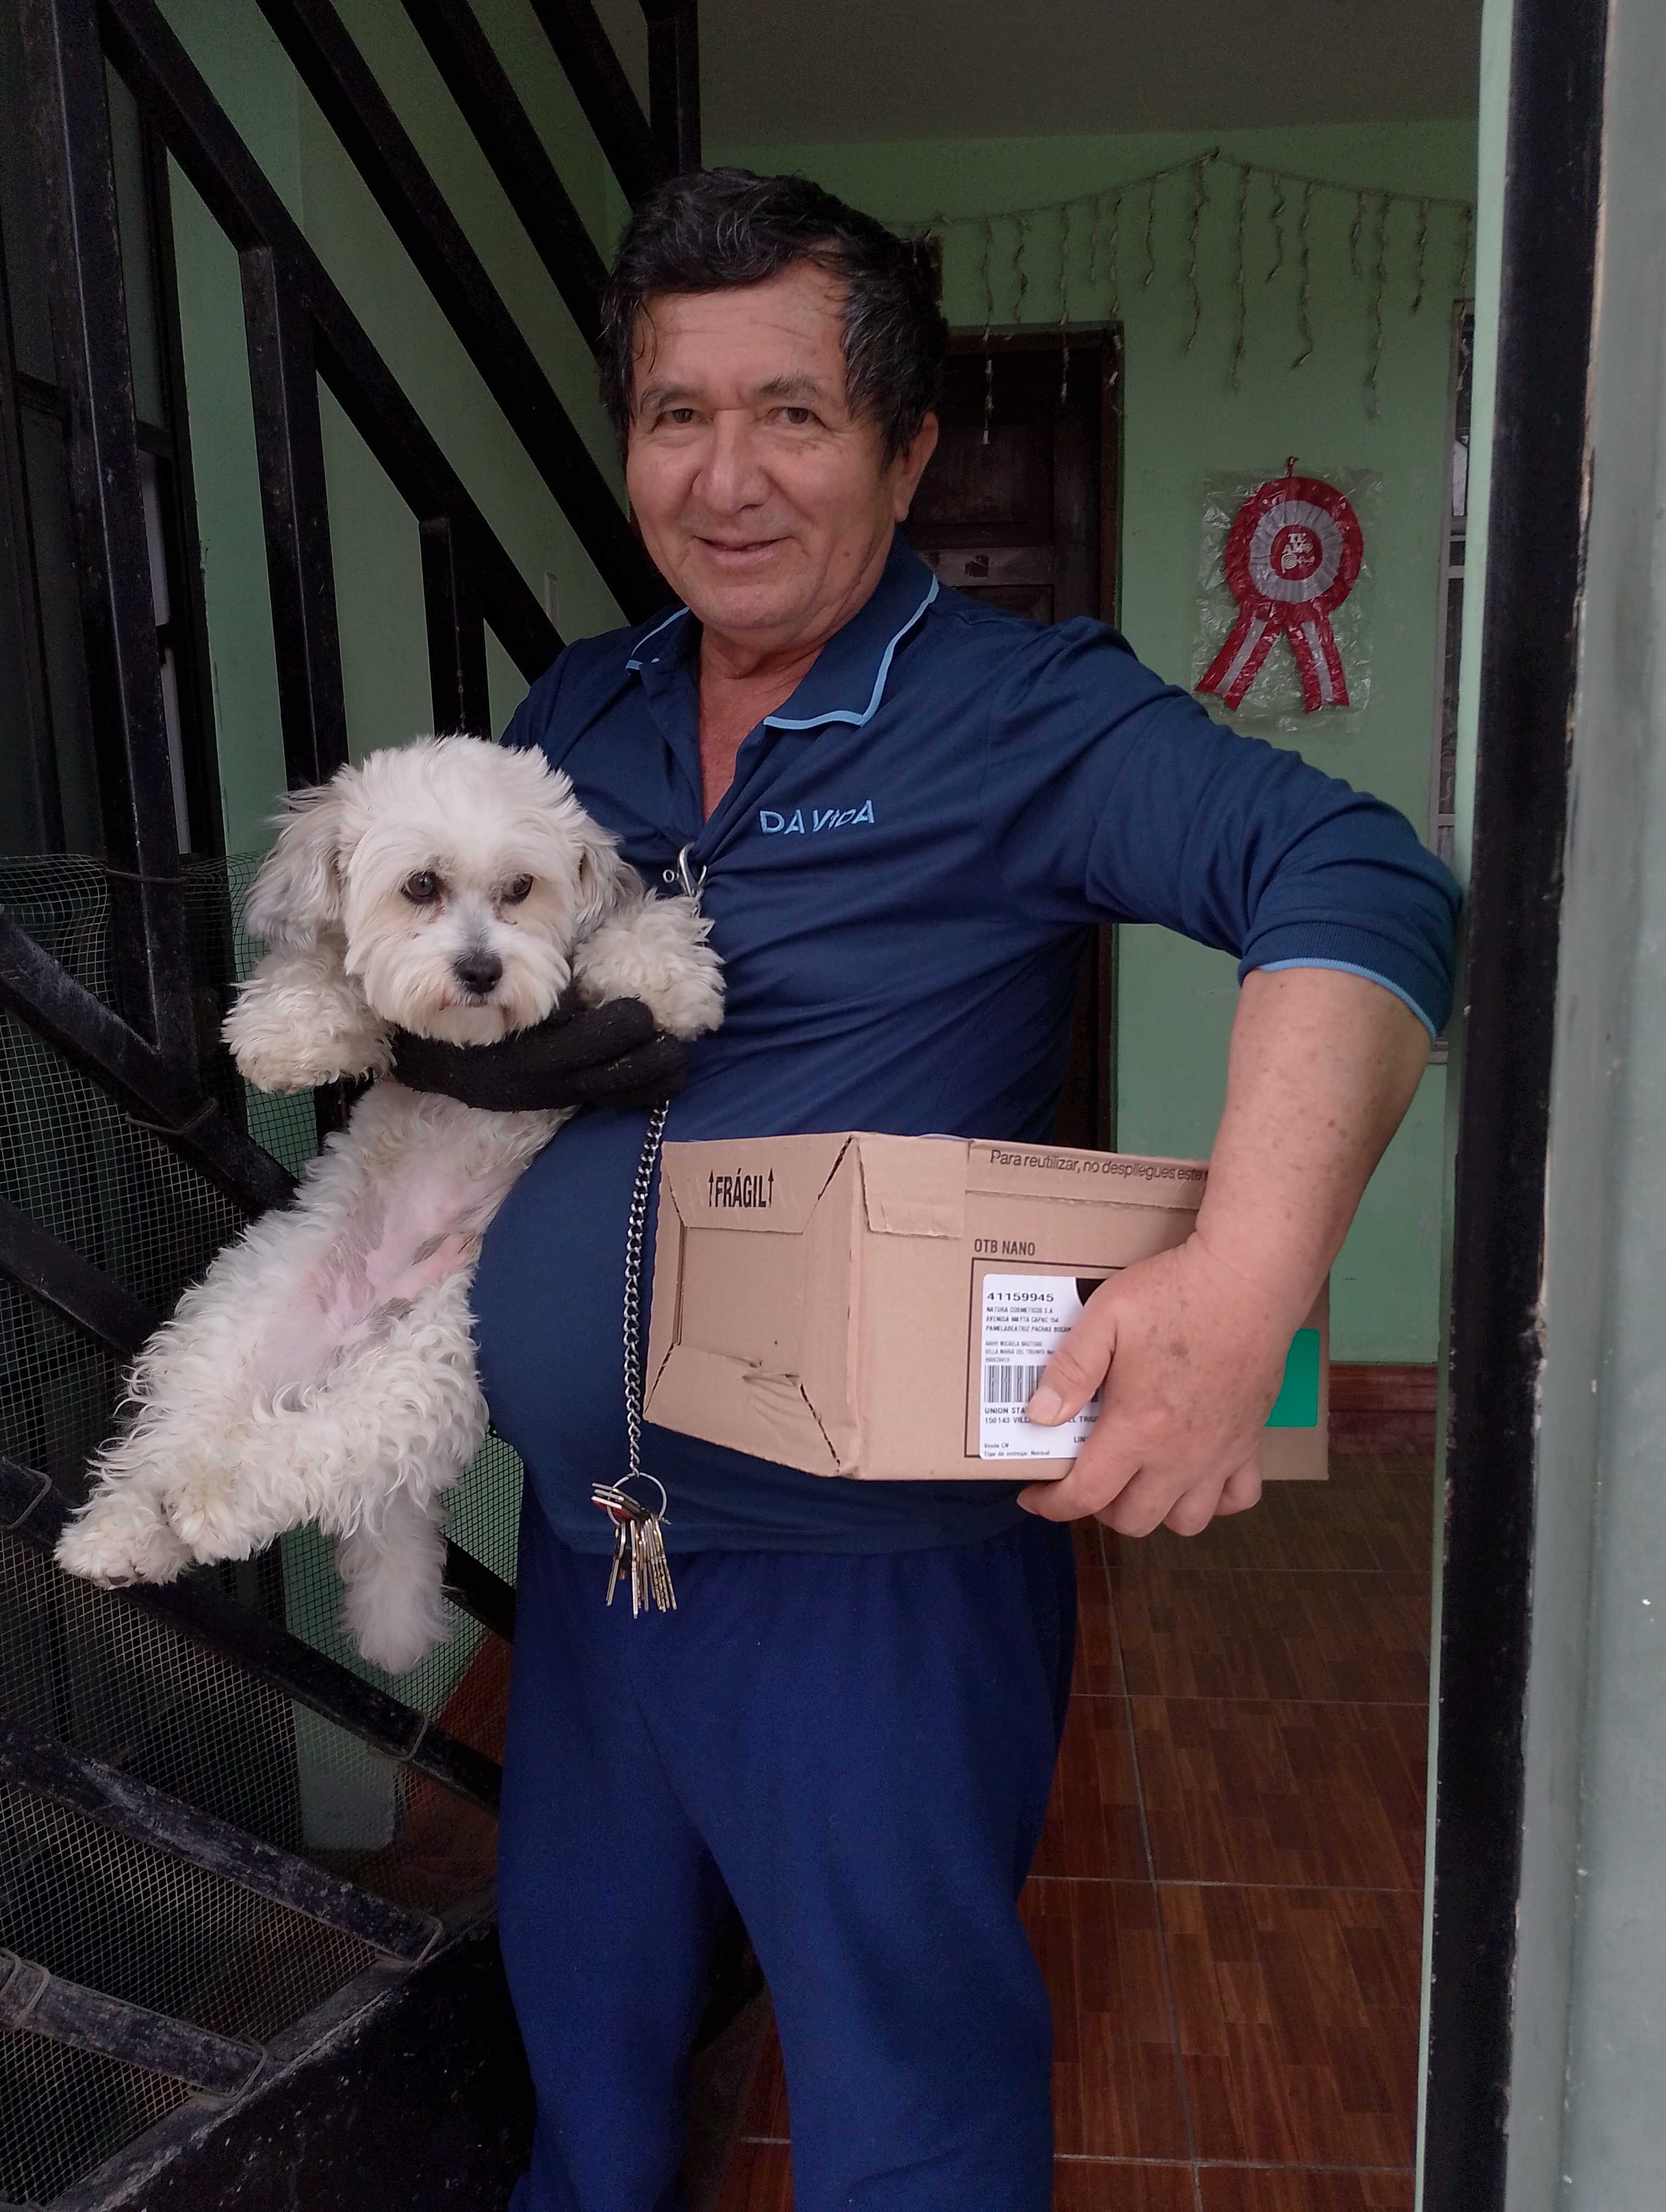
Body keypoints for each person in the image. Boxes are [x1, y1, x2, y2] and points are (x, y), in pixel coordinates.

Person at [395, 170, 1458, 2212]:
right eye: (677, 414)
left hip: (870, 1594)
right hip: (596, 1562)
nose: (725, 478)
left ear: (905, 451)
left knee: (907, 2110)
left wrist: (1248, 1283)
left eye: (790, 414)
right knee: (587, 2061)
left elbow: (1364, 879)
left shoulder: (1019, 712)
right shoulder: (579, 712)